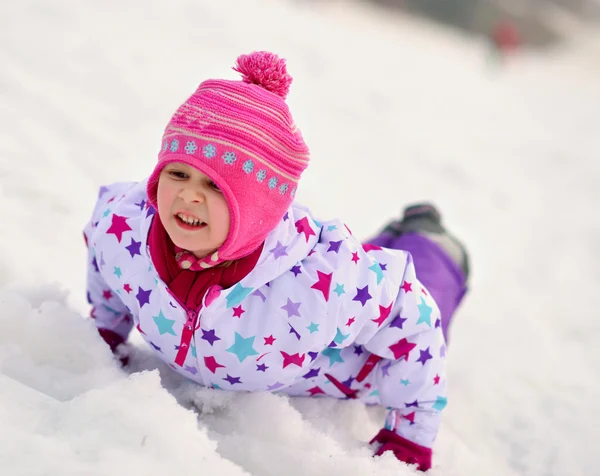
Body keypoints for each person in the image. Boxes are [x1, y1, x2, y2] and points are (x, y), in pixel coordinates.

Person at [83, 51, 469, 472]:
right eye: (178, 174)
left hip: (353, 363)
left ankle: (430, 238)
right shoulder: (125, 225)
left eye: (214, 185)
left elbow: (414, 319)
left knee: (423, 283)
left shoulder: (318, 279)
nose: (188, 195)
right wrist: (107, 326)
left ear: (257, 208)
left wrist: (409, 431)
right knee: (368, 263)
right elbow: (107, 265)